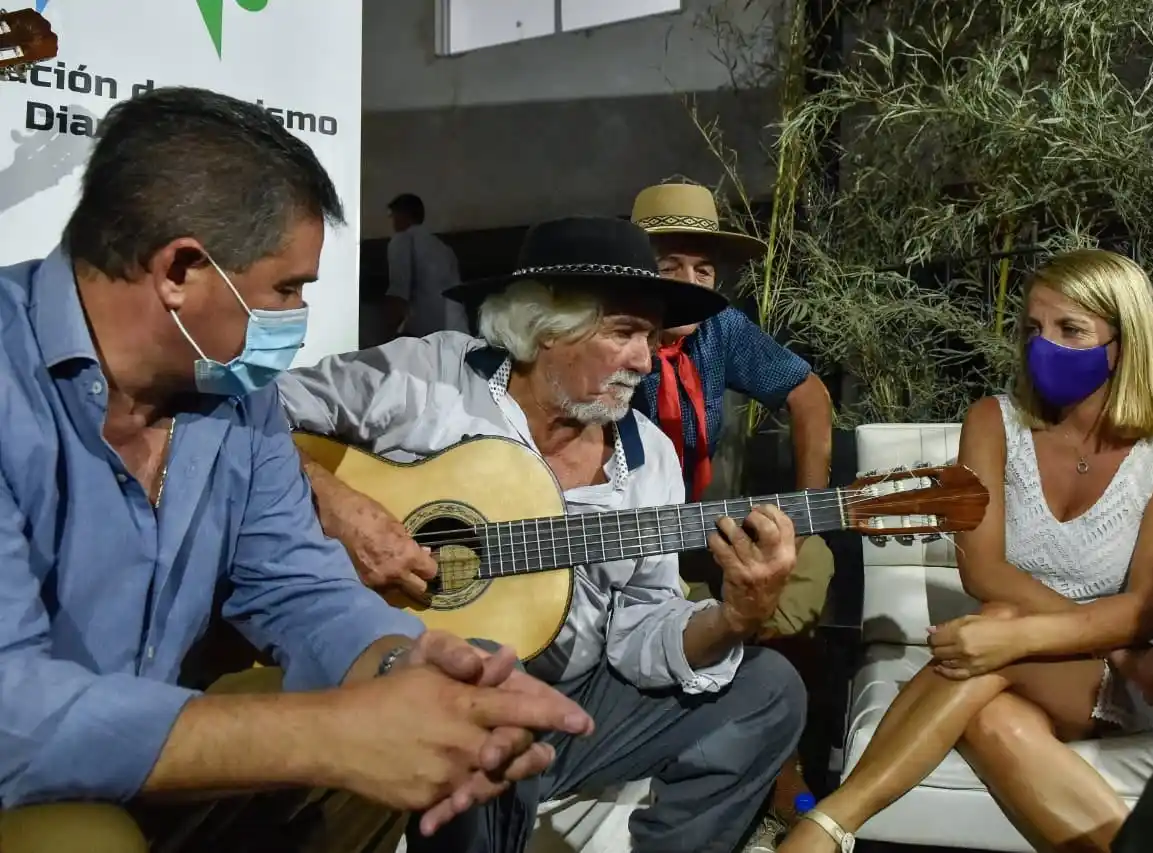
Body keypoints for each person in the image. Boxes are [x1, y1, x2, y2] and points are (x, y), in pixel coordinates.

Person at [0, 86, 593, 853]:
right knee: (83, 839)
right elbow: (13, 712)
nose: (298, 318)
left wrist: (401, 664)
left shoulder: (231, 389)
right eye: (287, 288)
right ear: (181, 269)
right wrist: (331, 733)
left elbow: (297, 580)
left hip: (150, 739)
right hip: (30, 777)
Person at [275, 215, 808, 853]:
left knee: (769, 689)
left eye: (651, 336)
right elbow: (250, 416)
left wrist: (734, 615)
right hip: (402, 690)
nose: (646, 359)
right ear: (545, 328)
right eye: (626, 334)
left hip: (571, 706)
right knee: (490, 687)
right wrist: (335, 503)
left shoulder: (649, 458)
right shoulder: (434, 378)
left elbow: (641, 631)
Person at [779, 248, 1153, 853]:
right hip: (1040, 645)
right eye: (1033, 329)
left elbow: (1146, 610)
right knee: (992, 715)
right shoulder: (992, 421)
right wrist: (1024, 636)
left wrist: (1037, 637)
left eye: (1071, 330)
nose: (1045, 347)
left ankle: (823, 827)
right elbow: (982, 568)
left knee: (995, 632)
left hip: (1130, 671)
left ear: (1125, 342)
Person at [629, 180, 835, 640]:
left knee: (811, 556)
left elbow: (809, 394)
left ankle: (727, 643)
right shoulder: (611, 336)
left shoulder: (719, 327)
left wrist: (806, 508)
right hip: (625, 538)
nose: (690, 285)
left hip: (693, 525)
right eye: (669, 268)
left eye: (703, 272)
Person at [385, 192, 470, 339]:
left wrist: (386, 337)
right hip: (458, 332)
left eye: (393, 215)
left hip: (428, 334)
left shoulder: (402, 240)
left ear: (402, 215)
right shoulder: (443, 247)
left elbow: (399, 293)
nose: (392, 221)